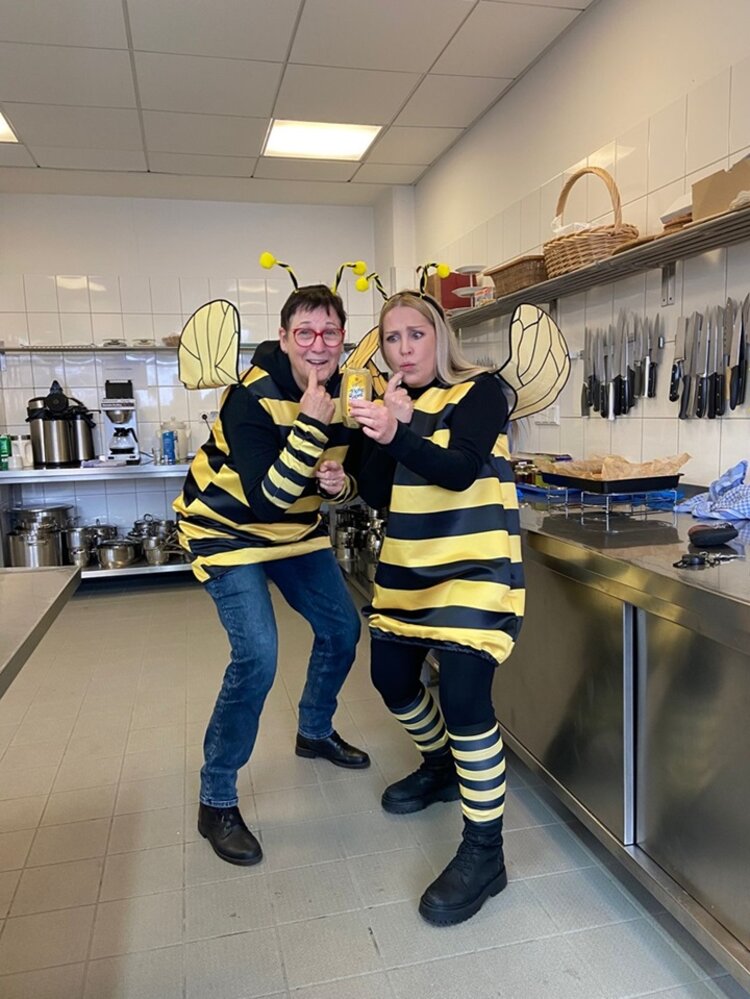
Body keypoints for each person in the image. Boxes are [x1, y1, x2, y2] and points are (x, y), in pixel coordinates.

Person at [174, 283, 369, 867]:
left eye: (329, 332)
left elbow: (350, 483)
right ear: (283, 338)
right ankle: (216, 799)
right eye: (304, 332)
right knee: (258, 654)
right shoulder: (248, 397)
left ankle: (314, 730)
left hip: (296, 533)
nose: (317, 345)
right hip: (226, 530)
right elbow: (265, 501)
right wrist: (309, 426)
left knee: (342, 630)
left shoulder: (353, 393)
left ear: (343, 339)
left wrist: (341, 485)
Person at [349, 291, 523, 926]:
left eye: (415, 334)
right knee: (390, 679)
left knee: (466, 700)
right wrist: (375, 442)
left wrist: (400, 432)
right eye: (391, 339)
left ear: (440, 336)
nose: (404, 349)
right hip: (410, 570)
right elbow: (377, 491)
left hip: (474, 570)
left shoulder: (483, 391)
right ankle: (441, 764)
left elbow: (459, 469)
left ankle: (485, 852)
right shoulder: (392, 403)